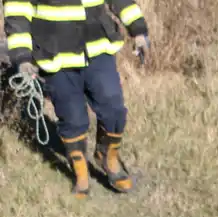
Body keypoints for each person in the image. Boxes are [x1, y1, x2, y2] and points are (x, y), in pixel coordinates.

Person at [4, 0, 148, 196]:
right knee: (72, 118)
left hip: (98, 49)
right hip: (54, 55)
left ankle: (107, 156)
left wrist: (138, 30)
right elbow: (17, 10)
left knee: (113, 108)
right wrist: (22, 58)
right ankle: (80, 172)